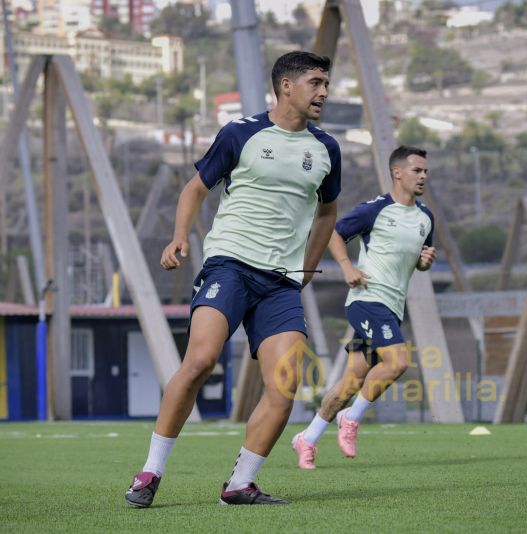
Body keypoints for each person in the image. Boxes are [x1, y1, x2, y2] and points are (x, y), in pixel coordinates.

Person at [124, 51, 340, 507]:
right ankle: (150, 472)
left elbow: (327, 213)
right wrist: (178, 237)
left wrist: (304, 271)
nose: (324, 92)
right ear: (286, 86)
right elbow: (194, 188)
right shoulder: (241, 133)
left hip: (280, 283)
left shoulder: (326, 149)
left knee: (284, 387)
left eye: (326, 83)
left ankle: (240, 484)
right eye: (315, 82)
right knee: (200, 361)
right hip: (230, 266)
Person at [291, 145, 435, 469]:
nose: (424, 176)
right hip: (367, 300)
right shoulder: (375, 210)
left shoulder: (426, 218)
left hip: (392, 307)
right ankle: (351, 418)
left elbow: (418, 260)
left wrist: (425, 263)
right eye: (417, 170)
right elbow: (334, 233)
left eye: (426, 171)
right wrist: (345, 267)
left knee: (350, 383)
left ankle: (308, 438)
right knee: (398, 362)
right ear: (397, 172)